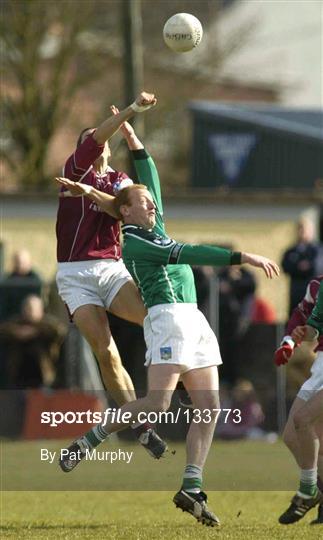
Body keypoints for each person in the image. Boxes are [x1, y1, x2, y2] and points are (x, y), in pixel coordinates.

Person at [56, 105, 279, 527]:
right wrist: (241, 256)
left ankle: (191, 485)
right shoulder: (137, 241)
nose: (153, 204)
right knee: (155, 404)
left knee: (208, 407)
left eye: (151, 201)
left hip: (194, 320)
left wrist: (134, 136)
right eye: (143, 203)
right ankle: (90, 439)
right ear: (126, 212)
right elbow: (189, 252)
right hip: (165, 318)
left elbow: (148, 175)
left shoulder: (151, 217)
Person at [55, 91, 166, 459]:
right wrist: (132, 110)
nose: (95, 140)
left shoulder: (118, 180)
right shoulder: (75, 169)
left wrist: (133, 133)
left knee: (156, 321)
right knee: (107, 353)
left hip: (110, 268)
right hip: (75, 274)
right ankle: (142, 428)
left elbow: (129, 208)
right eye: (91, 138)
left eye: (97, 138)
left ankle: (173, 384)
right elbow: (100, 137)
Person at [274, 276, 323, 524]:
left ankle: (308, 491)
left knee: (304, 420)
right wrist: (293, 338)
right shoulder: (318, 286)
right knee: (292, 436)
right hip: (321, 365)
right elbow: (310, 324)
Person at [0, 295, 66, 388]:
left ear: (40, 310)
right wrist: (16, 332)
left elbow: (59, 331)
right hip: (19, 377)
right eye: (26, 308)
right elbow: (3, 330)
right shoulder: (17, 323)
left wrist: (35, 331)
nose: (28, 311)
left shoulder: (47, 325)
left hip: (43, 377)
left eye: (31, 308)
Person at [282, 218, 322, 316]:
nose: (302, 232)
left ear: (312, 230)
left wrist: (298, 268)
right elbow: (285, 266)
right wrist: (300, 267)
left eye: (305, 229)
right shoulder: (291, 250)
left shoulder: (318, 250)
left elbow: (316, 268)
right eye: (300, 228)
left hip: (313, 296)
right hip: (296, 295)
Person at [0, 249, 42, 321]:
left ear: (29, 263)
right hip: (12, 318)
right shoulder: (8, 281)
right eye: (18, 262)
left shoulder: (36, 281)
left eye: (23, 262)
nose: (20, 265)